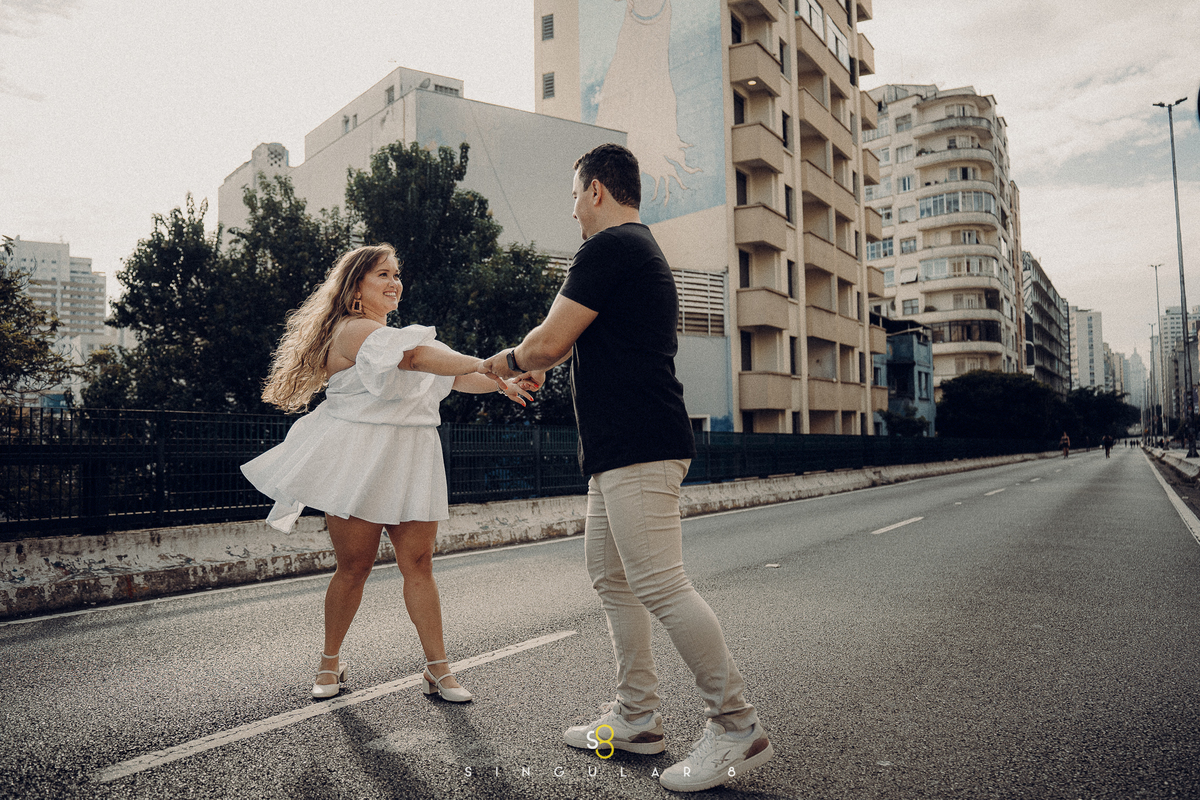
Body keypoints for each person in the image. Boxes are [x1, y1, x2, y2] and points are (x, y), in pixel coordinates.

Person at [478, 143, 772, 793]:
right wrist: (539, 361)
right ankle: (637, 718)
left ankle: (736, 725)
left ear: (596, 191)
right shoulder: (634, 250)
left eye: (574, 195)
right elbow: (570, 342)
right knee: (612, 577)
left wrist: (502, 365)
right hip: (621, 447)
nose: (572, 210)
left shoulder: (609, 247)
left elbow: (548, 341)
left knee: (660, 584)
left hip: (638, 442)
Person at [242, 244, 532, 701]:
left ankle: (438, 670)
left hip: (412, 456)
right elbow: (415, 360)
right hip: (360, 460)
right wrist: (487, 363)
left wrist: (500, 382)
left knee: (419, 564)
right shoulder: (353, 330)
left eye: (397, 274)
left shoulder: (398, 337)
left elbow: (455, 376)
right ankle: (329, 664)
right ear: (356, 287)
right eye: (383, 274)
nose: (394, 282)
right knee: (354, 568)